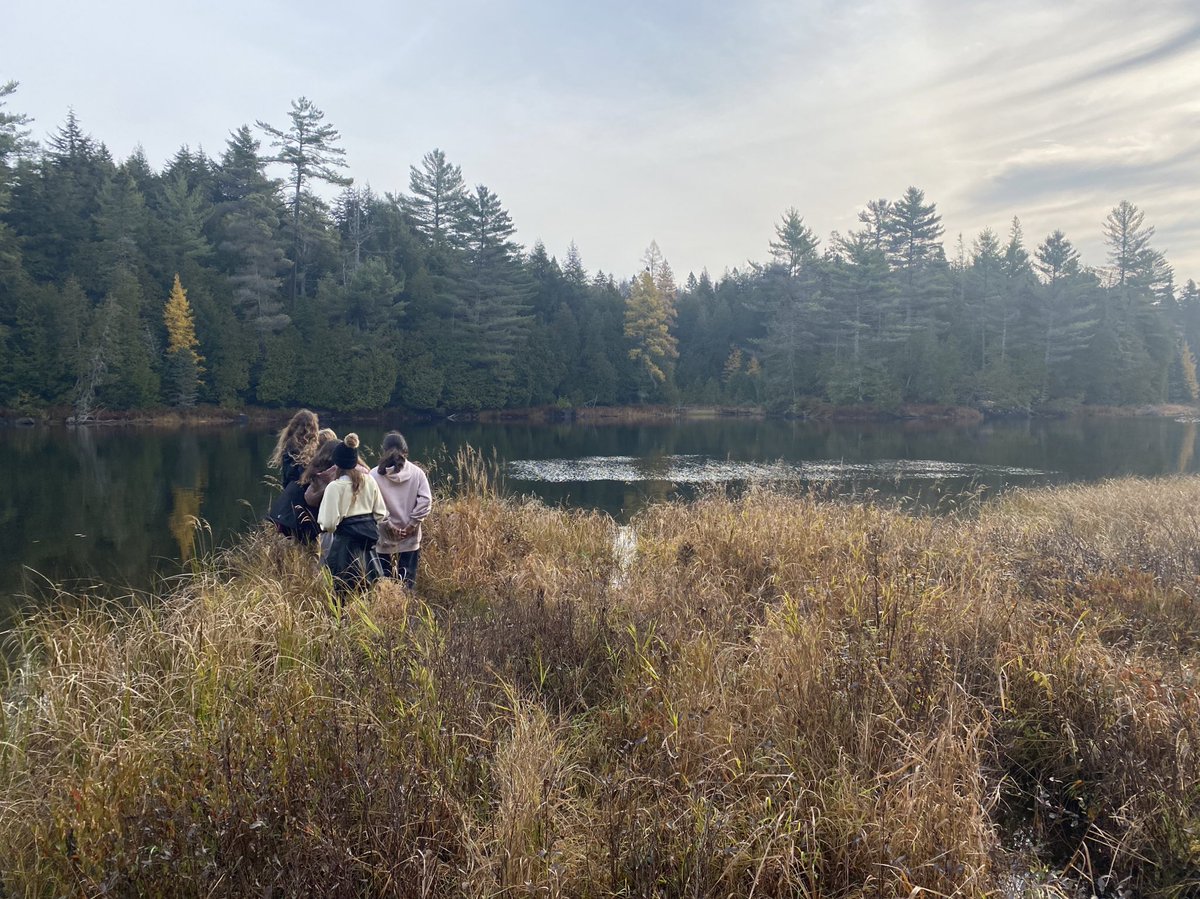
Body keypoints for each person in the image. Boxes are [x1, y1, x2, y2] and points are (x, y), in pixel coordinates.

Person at [317, 434, 387, 592]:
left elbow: (328, 524)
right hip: (368, 547)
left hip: (344, 548)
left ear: (337, 464)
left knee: (341, 591)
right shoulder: (369, 480)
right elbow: (381, 513)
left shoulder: (334, 487)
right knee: (368, 590)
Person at [370, 431, 432, 588]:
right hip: (410, 539)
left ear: (383, 450)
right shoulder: (417, 473)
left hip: (383, 539)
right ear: (405, 451)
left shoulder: (373, 475)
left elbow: (370, 505)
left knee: (385, 585)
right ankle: (406, 610)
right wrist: (411, 525)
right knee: (407, 584)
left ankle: (388, 611)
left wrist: (387, 524)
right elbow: (426, 501)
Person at [266, 409, 320, 539]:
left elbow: (286, 479)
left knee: (295, 540)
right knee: (309, 540)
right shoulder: (311, 449)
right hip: (306, 502)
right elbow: (303, 478)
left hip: (290, 500)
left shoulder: (288, 446)